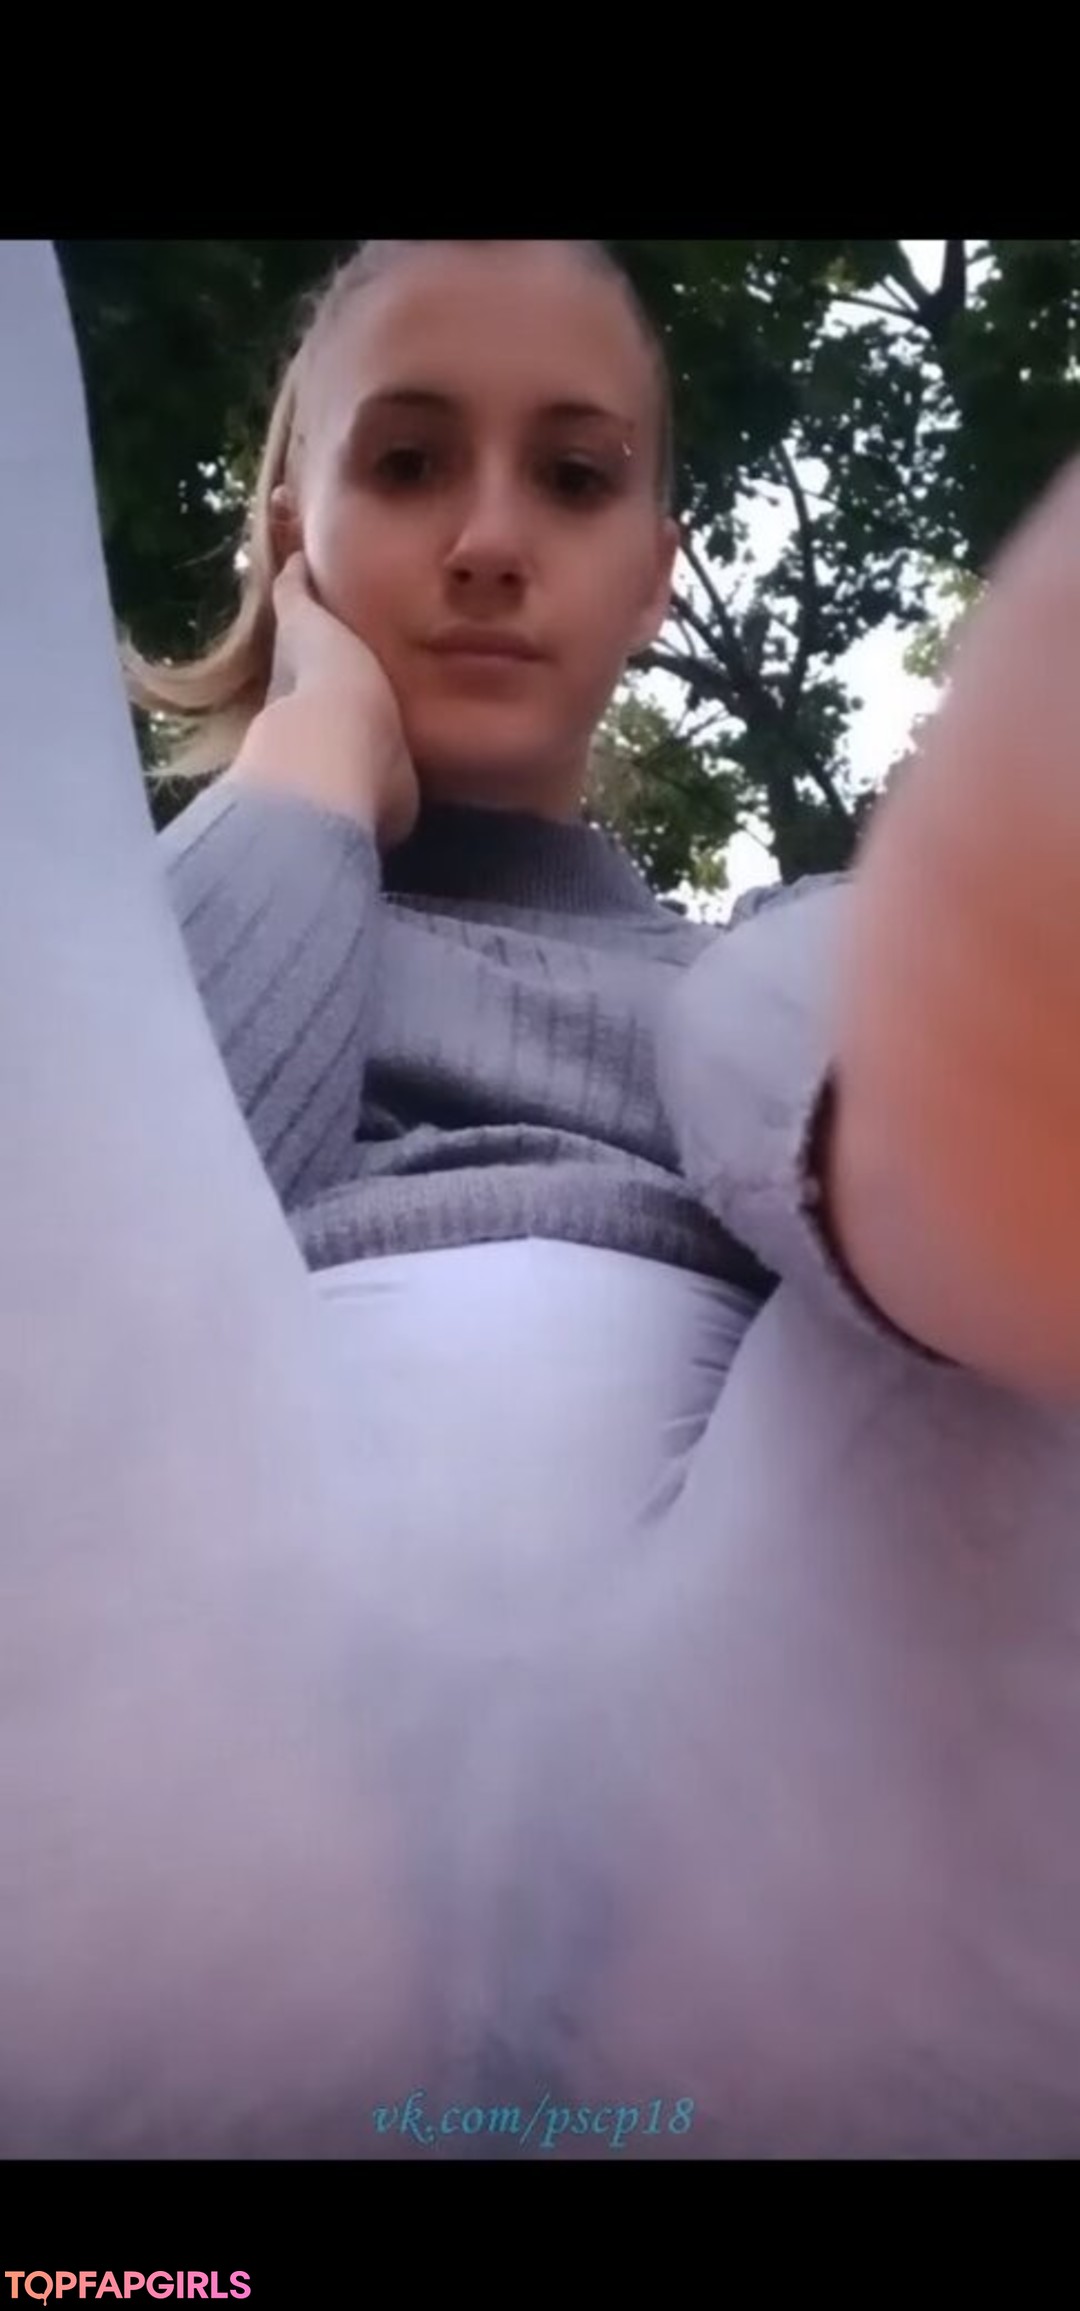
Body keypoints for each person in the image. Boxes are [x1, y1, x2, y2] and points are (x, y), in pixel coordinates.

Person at [4, 235, 1080, 2161]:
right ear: (292, 533)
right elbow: (159, 1177)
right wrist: (309, 762)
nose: (493, 539)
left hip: (787, 1739)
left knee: (796, 985)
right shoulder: (142, 928)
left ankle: (966, 1101)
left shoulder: (741, 970)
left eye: (574, 479)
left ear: (657, 572)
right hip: (176, 1699)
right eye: (409, 463)